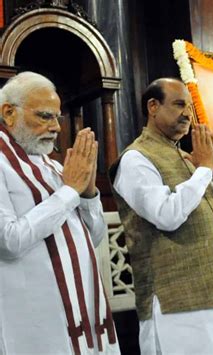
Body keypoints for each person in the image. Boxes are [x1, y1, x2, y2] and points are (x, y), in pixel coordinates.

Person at [109, 78, 213, 354]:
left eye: (188, 106)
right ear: (153, 106)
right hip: (174, 302)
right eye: (178, 104)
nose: (187, 113)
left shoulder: (191, 158)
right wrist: (203, 171)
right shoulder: (136, 159)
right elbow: (166, 215)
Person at [0, 72, 119, 354]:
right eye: (44, 116)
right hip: (37, 321)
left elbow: (95, 238)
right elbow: (9, 241)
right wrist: (69, 192)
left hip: (85, 310)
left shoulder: (52, 166)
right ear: (8, 113)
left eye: (57, 117)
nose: (55, 127)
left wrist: (88, 193)